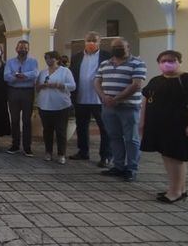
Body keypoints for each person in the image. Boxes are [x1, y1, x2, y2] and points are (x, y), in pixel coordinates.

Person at [141, 50, 188, 203]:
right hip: (160, 126)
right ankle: (178, 188)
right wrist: (143, 122)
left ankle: (175, 192)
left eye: (171, 60)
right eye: (163, 61)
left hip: (179, 126)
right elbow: (146, 100)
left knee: (176, 157)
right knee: (167, 156)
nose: (167, 63)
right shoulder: (156, 80)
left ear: (179, 62)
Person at [94, 37, 146, 182]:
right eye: (114, 46)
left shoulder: (137, 63)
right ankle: (118, 166)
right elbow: (97, 81)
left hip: (128, 107)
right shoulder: (105, 63)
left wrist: (116, 99)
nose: (117, 49)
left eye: (120, 46)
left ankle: (131, 168)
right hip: (108, 107)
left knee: (131, 139)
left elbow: (136, 85)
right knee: (114, 137)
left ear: (128, 47)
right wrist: (103, 97)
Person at [69, 31, 112, 167]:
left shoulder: (107, 56)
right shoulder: (76, 57)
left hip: (99, 98)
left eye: (94, 40)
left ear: (99, 42)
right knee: (81, 126)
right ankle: (83, 151)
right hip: (81, 97)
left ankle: (105, 156)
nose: (91, 43)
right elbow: (72, 74)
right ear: (84, 42)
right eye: (89, 40)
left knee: (104, 128)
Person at [35, 51, 76, 164]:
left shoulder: (65, 71)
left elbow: (72, 86)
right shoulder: (43, 72)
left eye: (51, 58)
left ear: (57, 59)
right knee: (47, 130)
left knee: (61, 130)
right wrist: (41, 86)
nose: (49, 61)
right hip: (45, 105)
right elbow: (37, 87)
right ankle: (48, 152)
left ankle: (61, 154)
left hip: (61, 105)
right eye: (47, 58)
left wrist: (58, 85)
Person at [4, 40, 38, 156]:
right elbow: (6, 76)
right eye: (20, 48)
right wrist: (17, 76)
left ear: (28, 49)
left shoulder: (33, 61)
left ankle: (27, 147)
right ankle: (15, 145)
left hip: (28, 92)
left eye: (25, 48)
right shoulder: (10, 62)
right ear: (16, 49)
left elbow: (35, 74)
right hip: (13, 92)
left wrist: (25, 75)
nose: (22, 50)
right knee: (14, 120)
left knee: (27, 120)